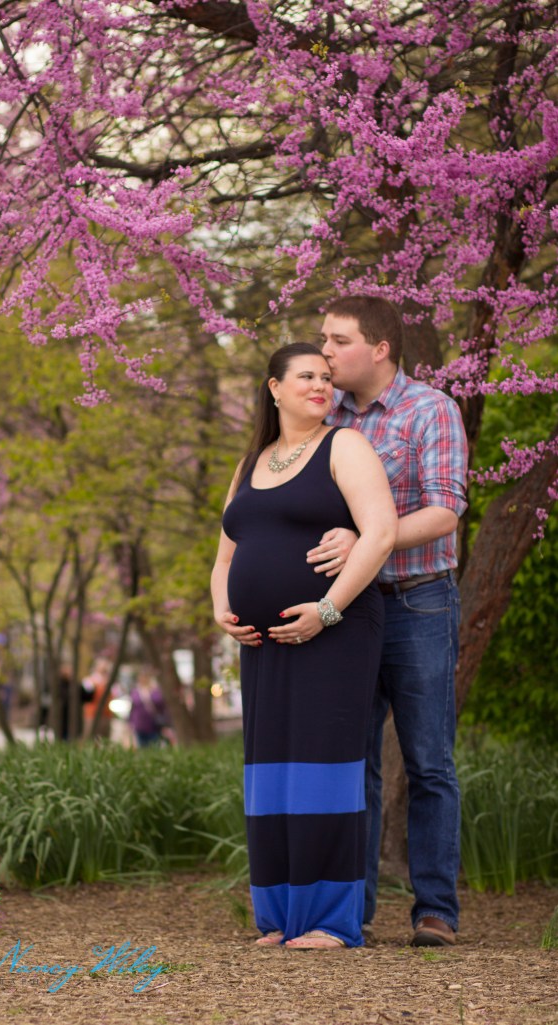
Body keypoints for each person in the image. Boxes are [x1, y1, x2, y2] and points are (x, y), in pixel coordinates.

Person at [211, 343, 397, 949]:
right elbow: (225, 557)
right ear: (274, 388)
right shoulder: (253, 461)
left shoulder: (345, 445)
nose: (321, 385)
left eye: (326, 377)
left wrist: (326, 609)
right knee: (271, 775)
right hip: (263, 643)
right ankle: (280, 918)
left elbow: (381, 531)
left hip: (335, 633)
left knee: (325, 769)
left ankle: (330, 922)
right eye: (306, 377)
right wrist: (221, 609)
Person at [307, 295, 468, 947]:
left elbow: (445, 511)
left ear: (379, 348)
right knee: (353, 762)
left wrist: (370, 539)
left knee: (429, 760)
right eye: (322, 339)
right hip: (348, 606)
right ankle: (354, 912)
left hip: (419, 600)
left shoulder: (430, 408)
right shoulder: (325, 416)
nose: (324, 352)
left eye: (338, 340)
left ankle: (436, 910)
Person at [129, 667, 170, 747]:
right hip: (139, 724)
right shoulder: (135, 691)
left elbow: (161, 705)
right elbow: (132, 708)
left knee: (154, 745)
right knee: (142, 746)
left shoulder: (155, 690)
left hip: (153, 724)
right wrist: (130, 722)